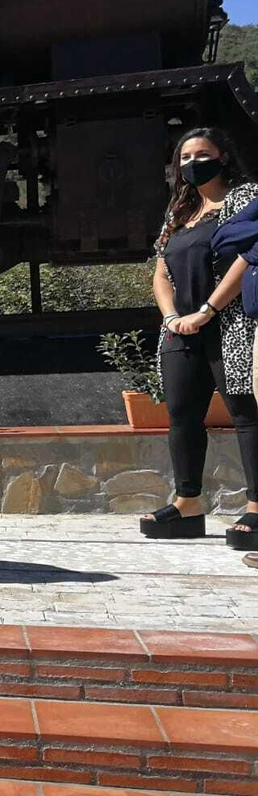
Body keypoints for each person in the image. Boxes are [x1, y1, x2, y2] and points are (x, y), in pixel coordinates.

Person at [141, 127, 258, 543]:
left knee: (246, 413)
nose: (193, 163)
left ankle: (255, 507)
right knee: (182, 415)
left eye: (202, 154)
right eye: (185, 157)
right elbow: (160, 271)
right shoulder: (178, 210)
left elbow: (247, 257)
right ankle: (187, 503)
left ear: (223, 157)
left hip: (231, 324)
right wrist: (174, 317)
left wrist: (209, 310)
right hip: (180, 329)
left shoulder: (246, 199)